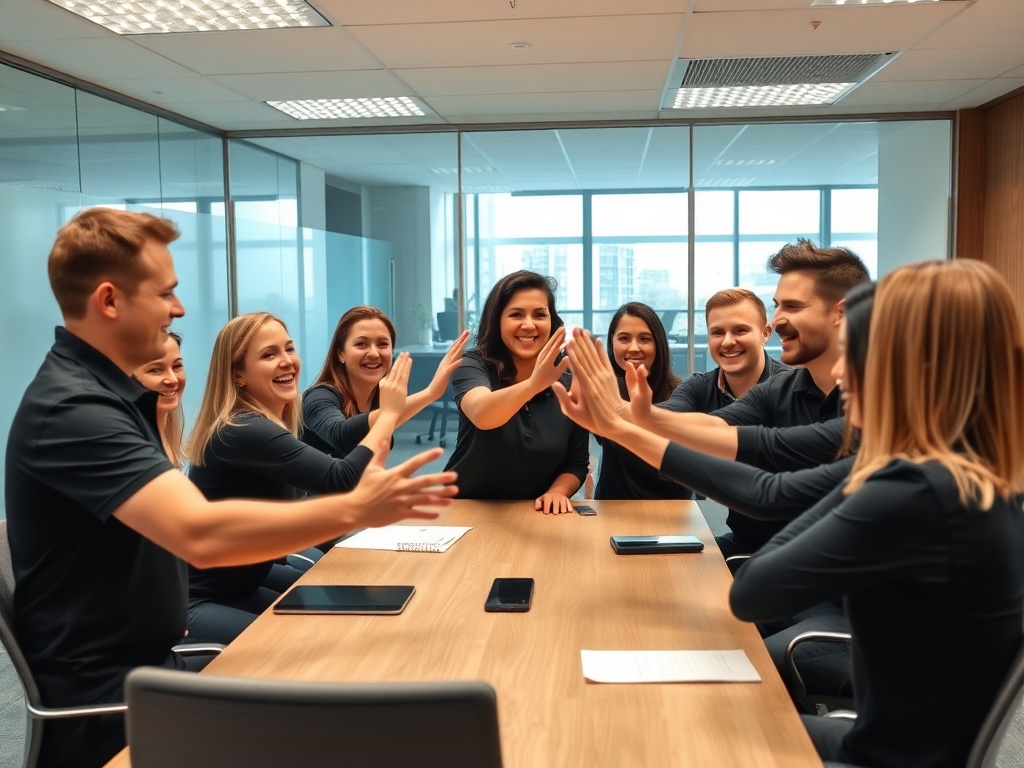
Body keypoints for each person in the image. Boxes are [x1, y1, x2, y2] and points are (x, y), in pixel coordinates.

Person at [5, 208, 456, 767]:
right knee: (337, 706)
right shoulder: (75, 411)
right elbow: (200, 532)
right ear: (109, 301)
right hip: (114, 704)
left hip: (147, 670)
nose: (179, 308)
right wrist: (355, 507)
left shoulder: (112, 400)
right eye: (165, 293)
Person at [730, 260, 1024, 767]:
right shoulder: (981, 477)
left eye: (858, 352)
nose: (841, 371)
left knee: (681, 724)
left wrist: (865, 469)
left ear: (913, 365)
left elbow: (752, 590)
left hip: (881, 757)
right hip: (903, 744)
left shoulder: (912, 491)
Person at [556, 282, 877, 712]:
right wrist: (626, 420)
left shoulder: (887, 458)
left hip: (841, 609)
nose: (838, 376)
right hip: (773, 561)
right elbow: (722, 434)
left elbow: (765, 490)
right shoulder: (767, 395)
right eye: (716, 332)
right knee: (665, 609)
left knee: (723, 659)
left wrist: (624, 422)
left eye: (853, 361)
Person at [625, 241, 870, 556]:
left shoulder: (880, 406)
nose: (778, 319)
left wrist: (627, 419)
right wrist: (637, 414)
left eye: (792, 307)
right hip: (757, 549)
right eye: (777, 305)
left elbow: (766, 483)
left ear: (843, 313)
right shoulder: (778, 389)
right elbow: (715, 428)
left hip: (832, 574)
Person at [184, 312, 412, 643]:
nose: (287, 362)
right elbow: (341, 478)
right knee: (302, 644)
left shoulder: (269, 423)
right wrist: (389, 414)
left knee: (341, 611)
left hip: (243, 583)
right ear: (238, 375)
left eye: (289, 349)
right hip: (201, 602)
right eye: (268, 355)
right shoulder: (244, 429)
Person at [444, 269, 589, 513]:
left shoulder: (569, 383)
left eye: (540, 314)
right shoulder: (473, 365)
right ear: (497, 319)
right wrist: (534, 384)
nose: (529, 325)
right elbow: (482, 414)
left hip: (534, 514)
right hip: (463, 509)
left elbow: (575, 463)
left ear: (552, 322)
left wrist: (557, 492)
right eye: (516, 314)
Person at [302, 305, 469, 458]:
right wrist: (429, 394)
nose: (374, 353)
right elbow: (342, 436)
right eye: (361, 344)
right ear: (341, 354)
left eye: (383, 344)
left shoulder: (378, 399)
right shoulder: (319, 397)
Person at [594, 302, 687, 500]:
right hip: (613, 509)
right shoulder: (606, 392)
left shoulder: (683, 394)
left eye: (644, 339)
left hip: (670, 510)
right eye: (624, 338)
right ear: (612, 343)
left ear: (658, 343)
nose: (633, 348)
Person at [664, 288, 787, 412]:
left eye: (740, 330)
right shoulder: (697, 389)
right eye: (718, 333)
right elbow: (664, 417)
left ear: (765, 334)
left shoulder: (793, 388)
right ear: (708, 338)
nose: (727, 342)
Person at [133, 331, 186, 467]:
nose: (173, 380)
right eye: (155, 370)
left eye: (177, 366)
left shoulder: (167, 437)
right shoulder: (130, 447)